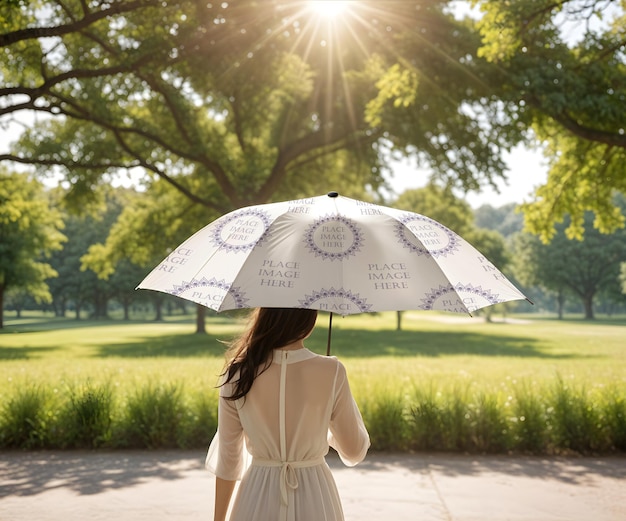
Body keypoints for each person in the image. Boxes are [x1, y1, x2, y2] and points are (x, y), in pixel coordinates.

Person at [206, 307, 370, 521]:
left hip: (256, 496)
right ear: (308, 318)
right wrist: (325, 429)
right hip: (315, 495)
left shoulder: (237, 373)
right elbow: (354, 450)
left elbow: (228, 460)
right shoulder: (332, 370)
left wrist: (218, 520)